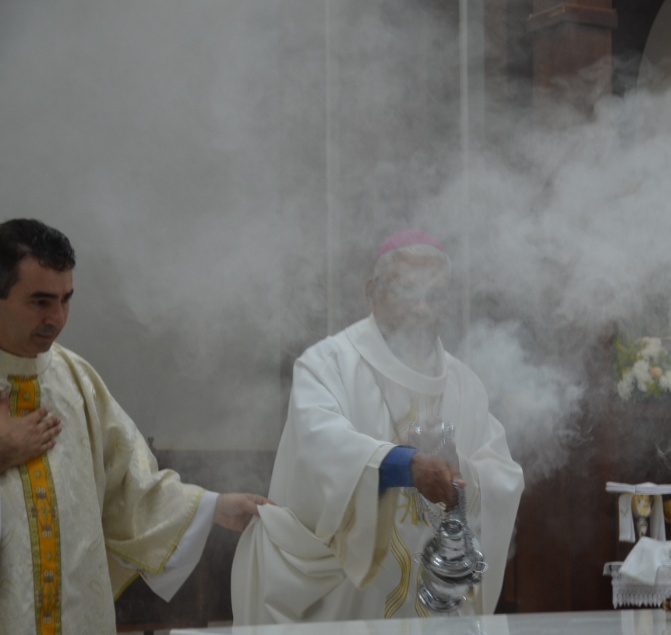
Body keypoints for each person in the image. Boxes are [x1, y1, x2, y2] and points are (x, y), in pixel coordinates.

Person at [231, 229, 524, 623]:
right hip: (343, 601)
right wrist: (407, 465)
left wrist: (460, 469)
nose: (422, 308)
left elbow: (502, 477)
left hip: (434, 605)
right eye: (406, 292)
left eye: (435, 296)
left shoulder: (465, 384)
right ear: (372, 293)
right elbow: (321, 446)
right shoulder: (329, 364)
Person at [0, 218, 270, 634]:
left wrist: (213, 506)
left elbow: (130, 486)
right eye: (40, 301)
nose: (57, 317)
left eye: (65, 299)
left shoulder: (76, 380)